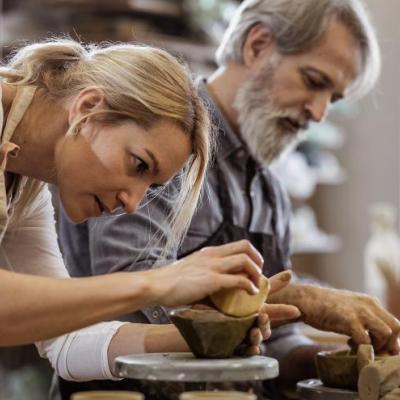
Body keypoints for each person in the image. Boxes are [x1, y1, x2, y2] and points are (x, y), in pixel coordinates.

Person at [57, 0, 400, 396]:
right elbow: (129, 293)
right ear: (257, 45)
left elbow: (267, 343)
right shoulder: (164, 143)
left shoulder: (270, 190)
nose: (319, 112)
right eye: (314, 80)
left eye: (334, 99)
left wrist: (330, 365)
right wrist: (302, 298)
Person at [0, 39, 301, 381]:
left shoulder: (26, 185)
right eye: (139, 165)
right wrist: (157, 283)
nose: (131, 204)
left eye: (151, 187)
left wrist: (203, 336)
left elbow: (63, 343)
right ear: (88, 108)